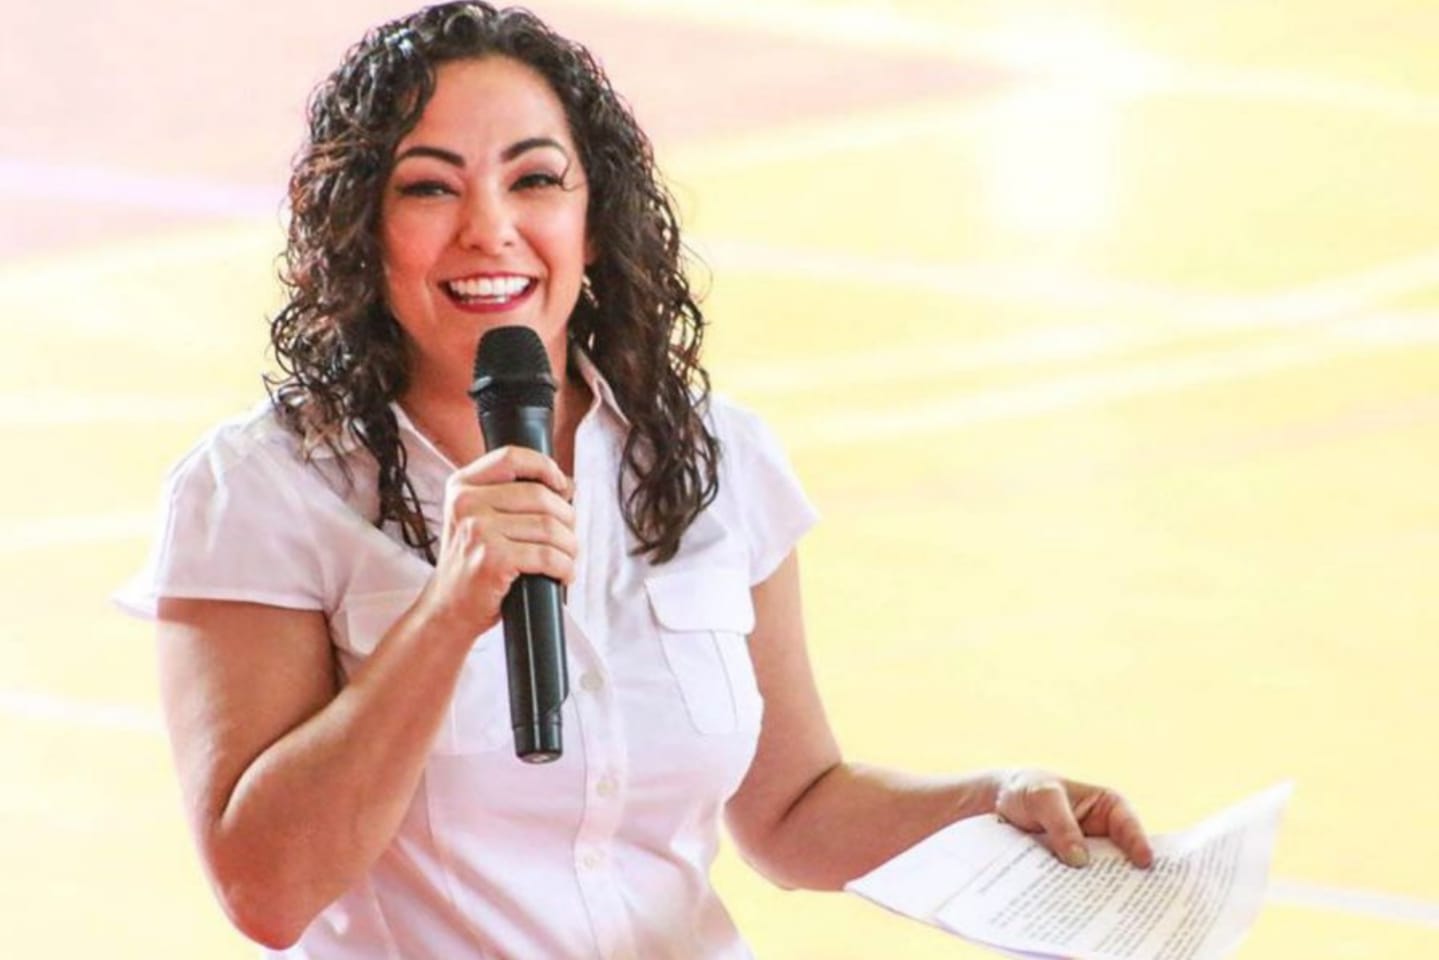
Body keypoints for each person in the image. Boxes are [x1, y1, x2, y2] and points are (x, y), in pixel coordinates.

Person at [117, 3, 1154, 957]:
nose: (489, 228)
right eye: (429, 186)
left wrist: (989, 803)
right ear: (359, 228)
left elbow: (793, 809)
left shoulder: (710, 456)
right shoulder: (258, 491)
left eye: (534, 180)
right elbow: (266, 889)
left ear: (593, 219)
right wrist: (447, 611)